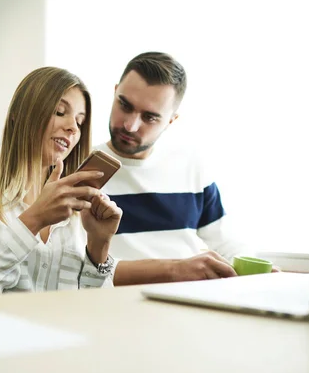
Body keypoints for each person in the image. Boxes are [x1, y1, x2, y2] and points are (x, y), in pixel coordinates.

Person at [0, 67, 122, 296]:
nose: (72, 127)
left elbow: (93, 308)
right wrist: (33, 220)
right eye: (60, 112)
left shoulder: (77, 212)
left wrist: (99, 245)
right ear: (18, 114)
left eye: (80, 123)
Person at [95, 52, 252, 286]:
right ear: (115, 92)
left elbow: (229, 247)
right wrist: (174, 270)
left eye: (150, 117)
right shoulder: (75, 167)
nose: (130, 125)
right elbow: (73, 267)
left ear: (171, 120)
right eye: (125, 105)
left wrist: (261, 276)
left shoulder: (191, 166)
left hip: (187, 305)